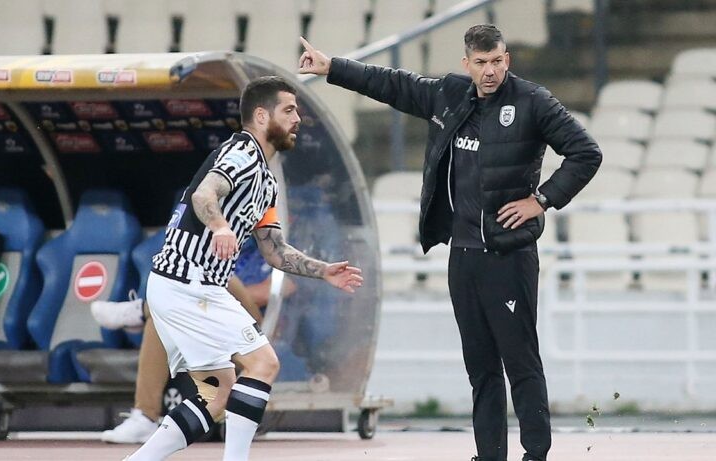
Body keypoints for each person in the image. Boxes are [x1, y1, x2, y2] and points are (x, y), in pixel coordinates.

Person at [298, 25, 601, 461]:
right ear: (467, 64)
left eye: (496, 61)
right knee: (480, 368)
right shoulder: (450, 95)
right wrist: (332, 68)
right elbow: (394, 85)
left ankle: (536, 454)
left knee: (520, 363)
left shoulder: (533, 101)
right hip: (463, 255)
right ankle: (490, 455)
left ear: (507, 59)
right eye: (481, 63)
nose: (490, 71)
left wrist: (541, 200)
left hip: (509, 256)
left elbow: (586, 152)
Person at [124, 76, 363, 461]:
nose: (297, 119)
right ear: (261, 115)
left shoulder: (266, 181)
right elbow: (205, 193)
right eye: (289, 110)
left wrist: (323, 271)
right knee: (263, 363)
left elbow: (274, 250)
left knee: (216, 393)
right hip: (189, 284)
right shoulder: (242, 152)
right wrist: (220, 226)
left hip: (189, 287)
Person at [91, 270, 264, 444]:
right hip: (202, 321)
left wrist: (201, 294)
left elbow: (272, 292)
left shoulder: (259, 256)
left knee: (182, 295)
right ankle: (144, 418)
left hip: (247, 337)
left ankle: (141, 310)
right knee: (165, 312)